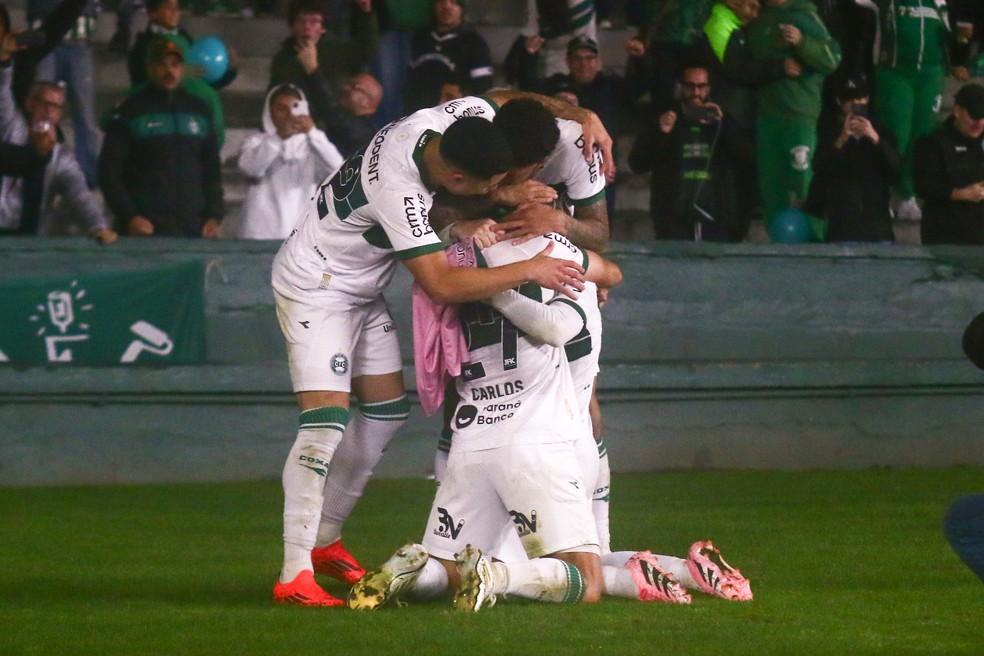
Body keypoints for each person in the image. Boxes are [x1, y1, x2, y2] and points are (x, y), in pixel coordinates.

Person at [270, 91, 612, 607]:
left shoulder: (458, 116)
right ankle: (294, 572)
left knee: (385, 413)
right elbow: (442, 286)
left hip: (361, 285)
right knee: (324, 425)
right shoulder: (400, 188)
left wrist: (582, 113)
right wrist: (530, 269)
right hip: (316, 286)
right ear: (454, 179)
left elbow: (504, 96)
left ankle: (324, 541)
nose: (499, 192)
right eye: (491, 186)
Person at [99, 36, 223, 238]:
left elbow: (211, 169)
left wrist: (214, 215)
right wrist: (129, 217)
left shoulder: (199, 110)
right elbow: (108, 171)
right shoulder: (131, 110)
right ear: (150, 68)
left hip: (193, 229)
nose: (170, 71)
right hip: (144, 233)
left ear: (183, 68)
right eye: (162, 64)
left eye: (175, 64)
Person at [856, 0, 966, 223]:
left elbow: (946, 31)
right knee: (896, 133)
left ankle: (907, 195)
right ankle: (883, 194)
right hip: (895, 72)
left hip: (931, 73)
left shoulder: (939, 1)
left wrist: (958, 56)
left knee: (922, 136)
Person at [629, 64, 752, 241]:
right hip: (674, 220)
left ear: (709, 88)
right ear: (681, 87)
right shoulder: (665, 117)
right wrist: (661, 132)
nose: (696, 92)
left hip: (716, 218)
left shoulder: (722, 121)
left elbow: (746, 158)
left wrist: (723, 125)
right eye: (690, 86)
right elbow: (637, 163)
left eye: (701, 87)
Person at [747, 0, 840, 232]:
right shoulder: (757, 18)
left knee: (802, 181)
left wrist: (802, 42)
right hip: (766, 114)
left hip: (799, 112)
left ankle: (815, 240)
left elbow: (832, 58)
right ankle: (777, 240)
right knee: (771, 184)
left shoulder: (804, 15)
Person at [0, 55, 115, 242]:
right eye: (44, 103)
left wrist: (98, 226)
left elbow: (79, 194)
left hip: (30, 239)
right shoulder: (9, 128)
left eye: (56, 107)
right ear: (30, 103)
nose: (49, 111)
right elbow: (2, 93)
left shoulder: (61, 156)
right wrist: (4, 63)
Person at [223, 84, 343, 240]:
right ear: (270, 112)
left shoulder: (313, 144)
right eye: (281, 109)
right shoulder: (255, 142)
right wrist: (279, 138)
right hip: (258, 233)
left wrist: (313, 133)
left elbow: (337, 168)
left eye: (294, 108)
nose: (288, 115)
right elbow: (251, 169)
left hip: (298, 236)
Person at [804, 75, 899, 242]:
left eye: (859, 99)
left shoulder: (883, 132)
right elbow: (819, 169)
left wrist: (875, 139)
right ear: (840, 102)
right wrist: (841, 140)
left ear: (867, 99)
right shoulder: (830, 135)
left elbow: (895, 168)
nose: (855, 105)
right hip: (842, 226)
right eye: (850, 101)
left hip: (877, 226)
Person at [270, 0, 379, 134]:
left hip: (332, 128)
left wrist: (365, 14)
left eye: (314, 21)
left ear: (322, 28)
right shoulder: (283, 59)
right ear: (292, 27)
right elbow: (275, 96)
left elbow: (366, 51)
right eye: (301, 21)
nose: (307, 26)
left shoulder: (337, 51)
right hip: (294, 128)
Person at [27, 0, 101, 187]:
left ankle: (88, 176)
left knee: (84, 114)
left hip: (79, 36)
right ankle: (39, 167)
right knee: (41, 110)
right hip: (44, 34)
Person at [914, 83, 984, 245]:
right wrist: (960, 194)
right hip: (946, 234)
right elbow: (923, 185)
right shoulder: (933, 143)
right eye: (974, 116)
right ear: (957, 111)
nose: (979, 123)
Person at [404, 0, 493, 113]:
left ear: (462, 9)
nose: (447, 6)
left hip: (453, 116)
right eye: (441, 2)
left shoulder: (474, 42)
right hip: (415, 114)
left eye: (454, 2)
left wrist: (463, 94)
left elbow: (483, 87)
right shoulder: (420, 38)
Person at [128, 0, 238, 90]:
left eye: (177, 7)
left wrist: (229, 70)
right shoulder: (142, 46)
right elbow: (140, 80)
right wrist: (184, 73)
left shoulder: (186, 40)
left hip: (185, 110)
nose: (175, 11)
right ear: (152, 14)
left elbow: (204, 83)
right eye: (168, 6)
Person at [319, 72, 383, 157]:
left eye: (354, 87)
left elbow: (331, 112)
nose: (345, 88)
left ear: (367, 102)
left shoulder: (362, 132)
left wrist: (312, 70)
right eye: (348, 83)